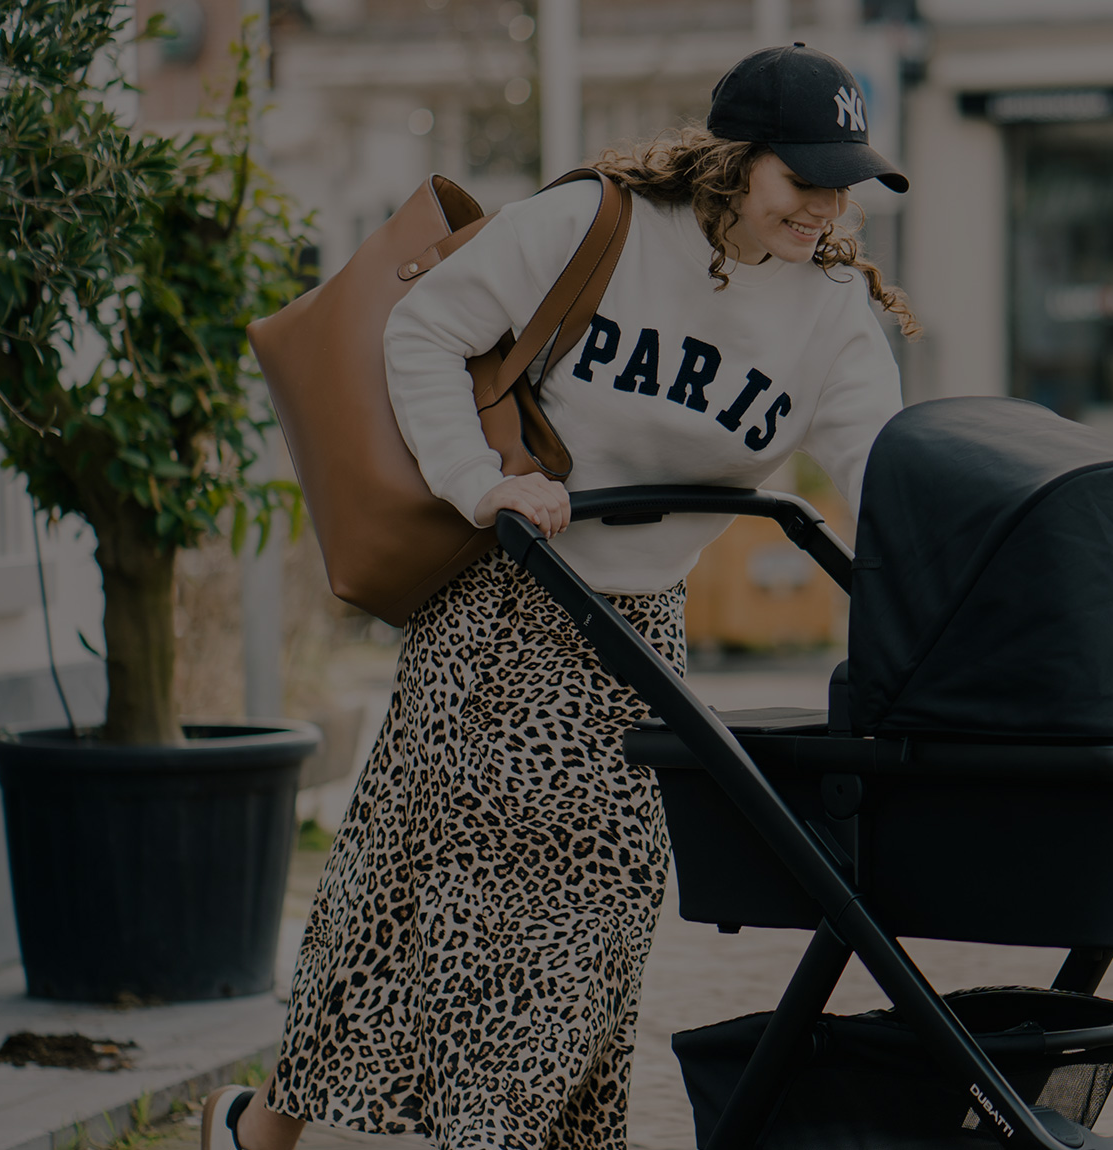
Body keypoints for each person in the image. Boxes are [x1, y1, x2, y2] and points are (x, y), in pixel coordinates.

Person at [199, 44, 914, 1150]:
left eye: (843, 182)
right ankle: (289, 1134)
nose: (825, 205)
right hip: (508, 599)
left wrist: (938, 591)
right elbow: (422, 329)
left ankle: (269, 1135)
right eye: (801, 177)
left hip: (641, 634)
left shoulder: (830, 311)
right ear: (733, 161)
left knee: (592, 899)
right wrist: (478, 483)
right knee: (439, 893)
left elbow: (884, 485)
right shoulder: (601, 223)